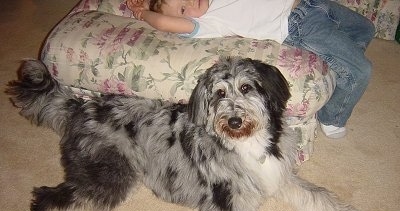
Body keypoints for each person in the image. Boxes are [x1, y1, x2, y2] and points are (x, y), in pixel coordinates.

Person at [126, 0, 375, 139]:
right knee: (360, 71)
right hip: (300, 23)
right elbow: (161, 21)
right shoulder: (208, 22)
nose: (190, 2)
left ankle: (337, 58)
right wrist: (144, 12)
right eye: (183, 9)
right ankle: (332, 118)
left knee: (366, 30)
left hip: (313, 3)